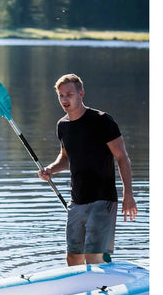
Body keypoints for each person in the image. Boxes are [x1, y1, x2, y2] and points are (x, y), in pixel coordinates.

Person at [38, 73, 137, 266]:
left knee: (94, 257)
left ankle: (105, 288)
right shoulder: (63, 126)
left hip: (103, 199)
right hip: (77, 201)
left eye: (69, 94)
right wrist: (50, 169)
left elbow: (122, 157)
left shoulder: (102, 121)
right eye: (61, 95)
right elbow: (66, 158)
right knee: (73, 257)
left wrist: (128, 195)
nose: (65, 99)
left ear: (81, 93)